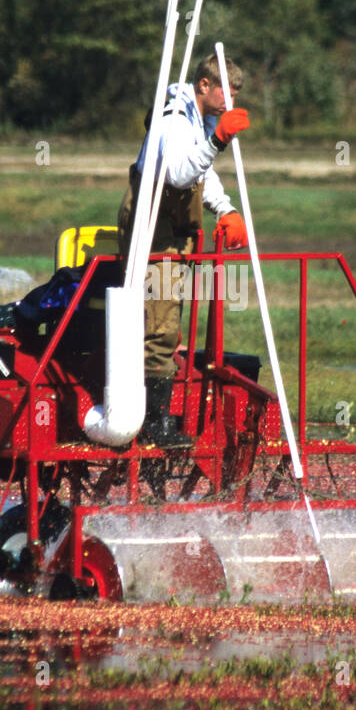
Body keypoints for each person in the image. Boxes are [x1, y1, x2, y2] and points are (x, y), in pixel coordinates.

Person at [117, 52, 251, 445]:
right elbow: (177, 172)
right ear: (204, 86)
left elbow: (202, 174)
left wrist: (225, 209)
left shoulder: (198, 121)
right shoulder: (174, 121)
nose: (232, 100)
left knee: (169, 321)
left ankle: (156, 415)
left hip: (173, 231)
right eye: (226, 91)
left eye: (237, 93)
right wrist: (217, 140)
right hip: (151, 230)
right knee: (158, 324)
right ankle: (152, 425)